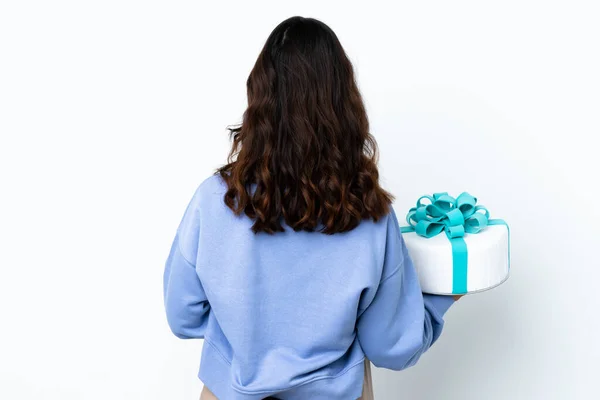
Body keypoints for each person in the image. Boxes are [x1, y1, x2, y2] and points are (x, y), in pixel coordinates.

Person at [163, 16, 460, 400]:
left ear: (260, 98)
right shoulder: (369, 212)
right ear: (343, 103)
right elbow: (391, 346)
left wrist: (247, 341)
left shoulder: (215, 199)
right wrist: (441, 300)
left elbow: (182, 314)